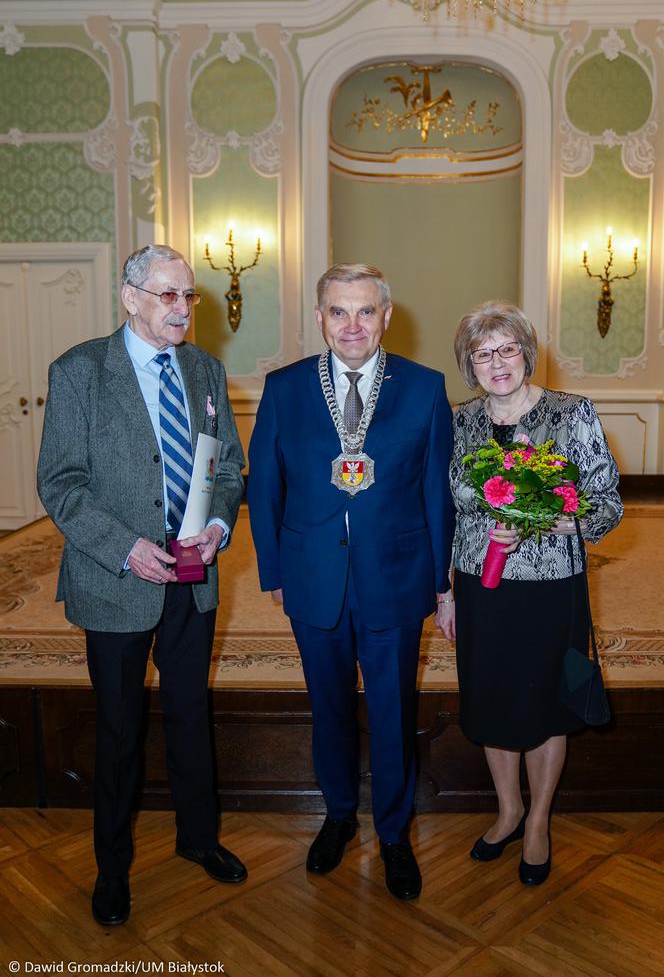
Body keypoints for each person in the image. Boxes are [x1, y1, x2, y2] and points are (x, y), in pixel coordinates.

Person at [37, 245, 247, 927]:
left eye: (189, 296)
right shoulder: (78, 372)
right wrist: (125, 548)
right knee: (120, 728)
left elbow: (229, 468)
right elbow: (60, 482)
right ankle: (111, 866)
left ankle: (198, 838)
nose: (183, 309)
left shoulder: (206, 368)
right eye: (168, 295)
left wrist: (216, 525)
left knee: (191, 712)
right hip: (115, 578)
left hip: (193, 577)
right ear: (130, 297)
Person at [247, 263, 455, 900]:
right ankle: (338, 816)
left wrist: (441, 581)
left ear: (387, 317)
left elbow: (436, 493)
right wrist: (275, 572)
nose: (353, 325)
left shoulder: (423, 388)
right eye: (339, 311)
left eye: (366, 311)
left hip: (395, 575)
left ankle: (393, 834)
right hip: (313, 577)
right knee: (329, 707)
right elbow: (264, 483)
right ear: (320, 318)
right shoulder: (284, 388)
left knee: (393, 712)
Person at [437, 299, 623, 886]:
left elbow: (607, 502)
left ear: (526, 353)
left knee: (546, 703)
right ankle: (508, 809)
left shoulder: (571, 413)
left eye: (507, 349)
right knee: (492, 698)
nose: (497, 362)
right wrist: (446, 593)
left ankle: (538, 819)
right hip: (480, 584)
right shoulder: (459, 420)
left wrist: (566, 520)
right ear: (469, 364)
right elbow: (447, 512)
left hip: (550, 588)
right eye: (482, 353)